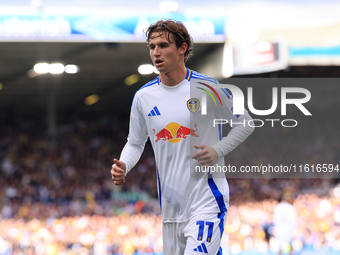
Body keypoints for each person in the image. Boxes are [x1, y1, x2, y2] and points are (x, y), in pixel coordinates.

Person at [111, 19, 254, 255]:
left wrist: (218, 150)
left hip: (206, 201)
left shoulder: (208, 88)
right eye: (152, 46)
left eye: (163, 45)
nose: (156, 52)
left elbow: (245, 122)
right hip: (171, 210)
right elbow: (135, 143)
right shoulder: (143, 97)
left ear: (182, 48)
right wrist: (124, 165)